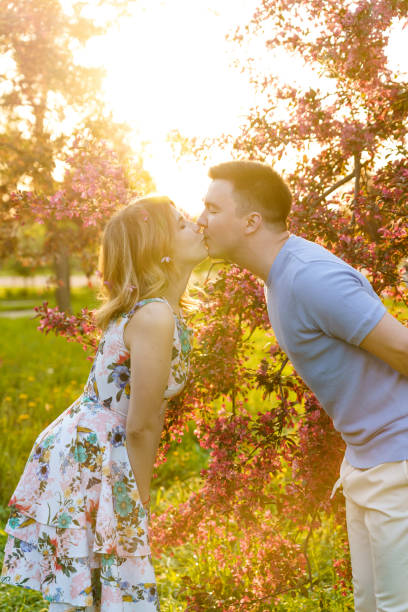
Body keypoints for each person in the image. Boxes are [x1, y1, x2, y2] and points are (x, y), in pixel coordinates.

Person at [198, 160, 408, 612]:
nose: (201, 220)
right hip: (367, 463)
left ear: (251, 221)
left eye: (212, 208)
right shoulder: (278, 278)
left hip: (399, 463)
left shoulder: (311, 276)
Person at [0, 195, 206, 611]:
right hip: (91, 454)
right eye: (183, 224)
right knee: (102, 579)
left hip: (96, 448)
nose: (198, 224)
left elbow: (147, 412)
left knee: (98, 585)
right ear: (160, 249)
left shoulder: (163, 311)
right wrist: (138, 503)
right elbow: (141, 425)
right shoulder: (154, 316)